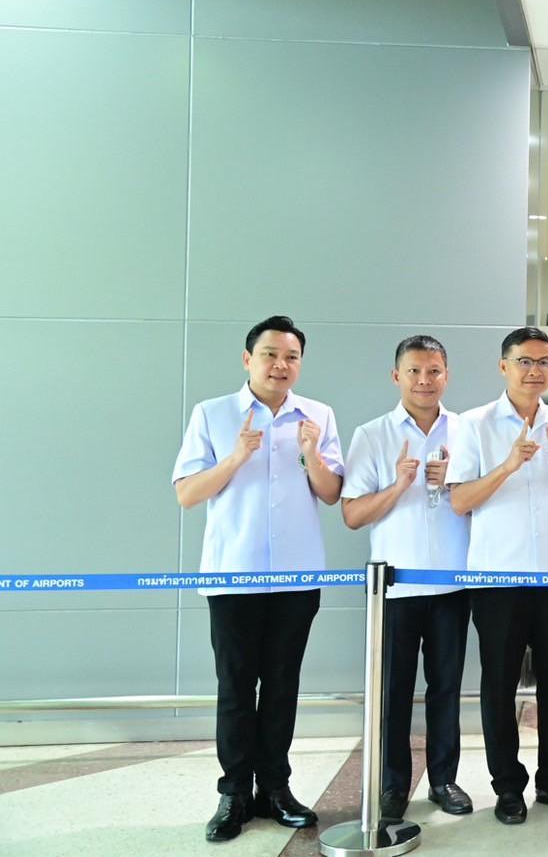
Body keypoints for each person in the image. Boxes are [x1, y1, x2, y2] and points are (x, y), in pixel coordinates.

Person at [172, 315, 344, 842]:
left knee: (282, 684)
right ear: (248, 359)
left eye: (291, 357)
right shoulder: (213, 413)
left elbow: (332, 493)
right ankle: (234, 794)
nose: (280, 365)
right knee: (235, 685)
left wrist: (311, 454)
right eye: (270, 354)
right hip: (234, 574)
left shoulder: (317, 415)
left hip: (297, 575)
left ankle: (275, 788)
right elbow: (187, 493)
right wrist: (236, 457)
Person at [447, 325, 548, 824]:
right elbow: (460, 500)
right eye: (525, 361)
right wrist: (508, 465)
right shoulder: (475, 424)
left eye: (544, 361)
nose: (535, 371)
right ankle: (507, 787)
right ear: (503, 366)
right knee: (500, 686)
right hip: (498, 578)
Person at [341, 335, 472, 820]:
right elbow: (352, 515)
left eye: (433, 371)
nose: (424, 380)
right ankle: (393, 785)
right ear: (396, 376)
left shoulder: (467, 431)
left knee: (447, 688)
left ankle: (444, 780)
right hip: (394, 588)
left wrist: (454, 484)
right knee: (393, 692)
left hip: (453, 583)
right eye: (414, 371)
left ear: (447, 375)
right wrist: (399, 485)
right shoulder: (372, 435)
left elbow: (484, 503)